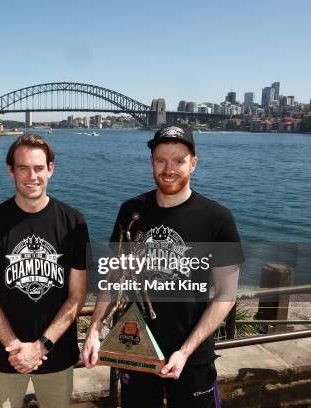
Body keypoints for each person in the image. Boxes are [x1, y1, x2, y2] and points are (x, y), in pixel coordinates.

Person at [81, 125, 243, 408]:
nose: (169, 169)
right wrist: (95, 331)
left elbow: (226, 295)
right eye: (161, 160)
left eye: (178, 160)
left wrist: (185, 351)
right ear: (151, 162)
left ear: (193, 163)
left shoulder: (218, 219)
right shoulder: (131, 212)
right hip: (135, 348)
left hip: (191, 357)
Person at [0, 134, 90, 408]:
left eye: (38, 168)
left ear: (50, 168)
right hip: (6, 355)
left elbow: (78, 294)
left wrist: (41, 347)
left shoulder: (74, 222)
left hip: (56, 352)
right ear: (10, 171)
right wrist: (16, 347)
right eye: (23, 168)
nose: (31, 176)